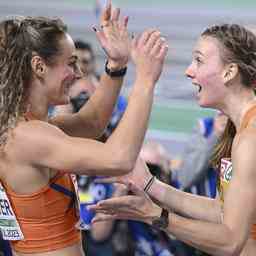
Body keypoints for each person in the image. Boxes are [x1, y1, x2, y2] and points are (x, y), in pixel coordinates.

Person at [0, 1, 169, 255]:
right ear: (39, 66)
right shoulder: (27, 137)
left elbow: (91, 124)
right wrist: (145, 80)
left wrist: (117, 65)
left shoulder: (29, 127)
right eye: (70, 63)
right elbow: (119, 159)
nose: (78, 73)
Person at [90, 24, 256, 256]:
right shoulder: (238, 130)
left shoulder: (250, 139)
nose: (189, 70)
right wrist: (150, 184)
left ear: (229, 72)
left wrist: (153, 215)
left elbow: (230, 241)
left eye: (198, 61)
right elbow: (222, 211)